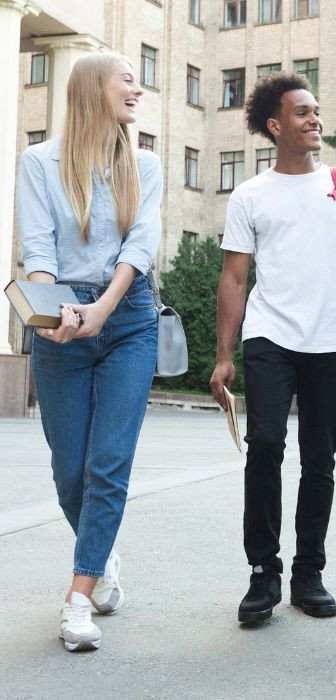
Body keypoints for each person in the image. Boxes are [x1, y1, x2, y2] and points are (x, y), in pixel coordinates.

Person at [209, 72, 336, 624]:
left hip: (332, 339)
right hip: (270, 335)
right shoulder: (250, 194)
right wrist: (223, 354)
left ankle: (309, 572)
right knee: (265, 443)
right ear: (274, 125)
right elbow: (235, 278)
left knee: (320, 456)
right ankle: (263, 572)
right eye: (303, 112)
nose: (315, 119)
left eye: (316, 111)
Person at [15, 53, 162, 652]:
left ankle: (77, 597)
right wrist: (56, 312)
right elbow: (37, 243)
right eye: (126, 77)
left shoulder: (145, 164)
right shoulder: (39, 162)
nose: (138, 88)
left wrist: (100, 311)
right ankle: (101, 557)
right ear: (90, 88)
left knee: (107, 465)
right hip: (60, 319)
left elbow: (141, 243)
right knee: (68, 471)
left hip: (128, 320)